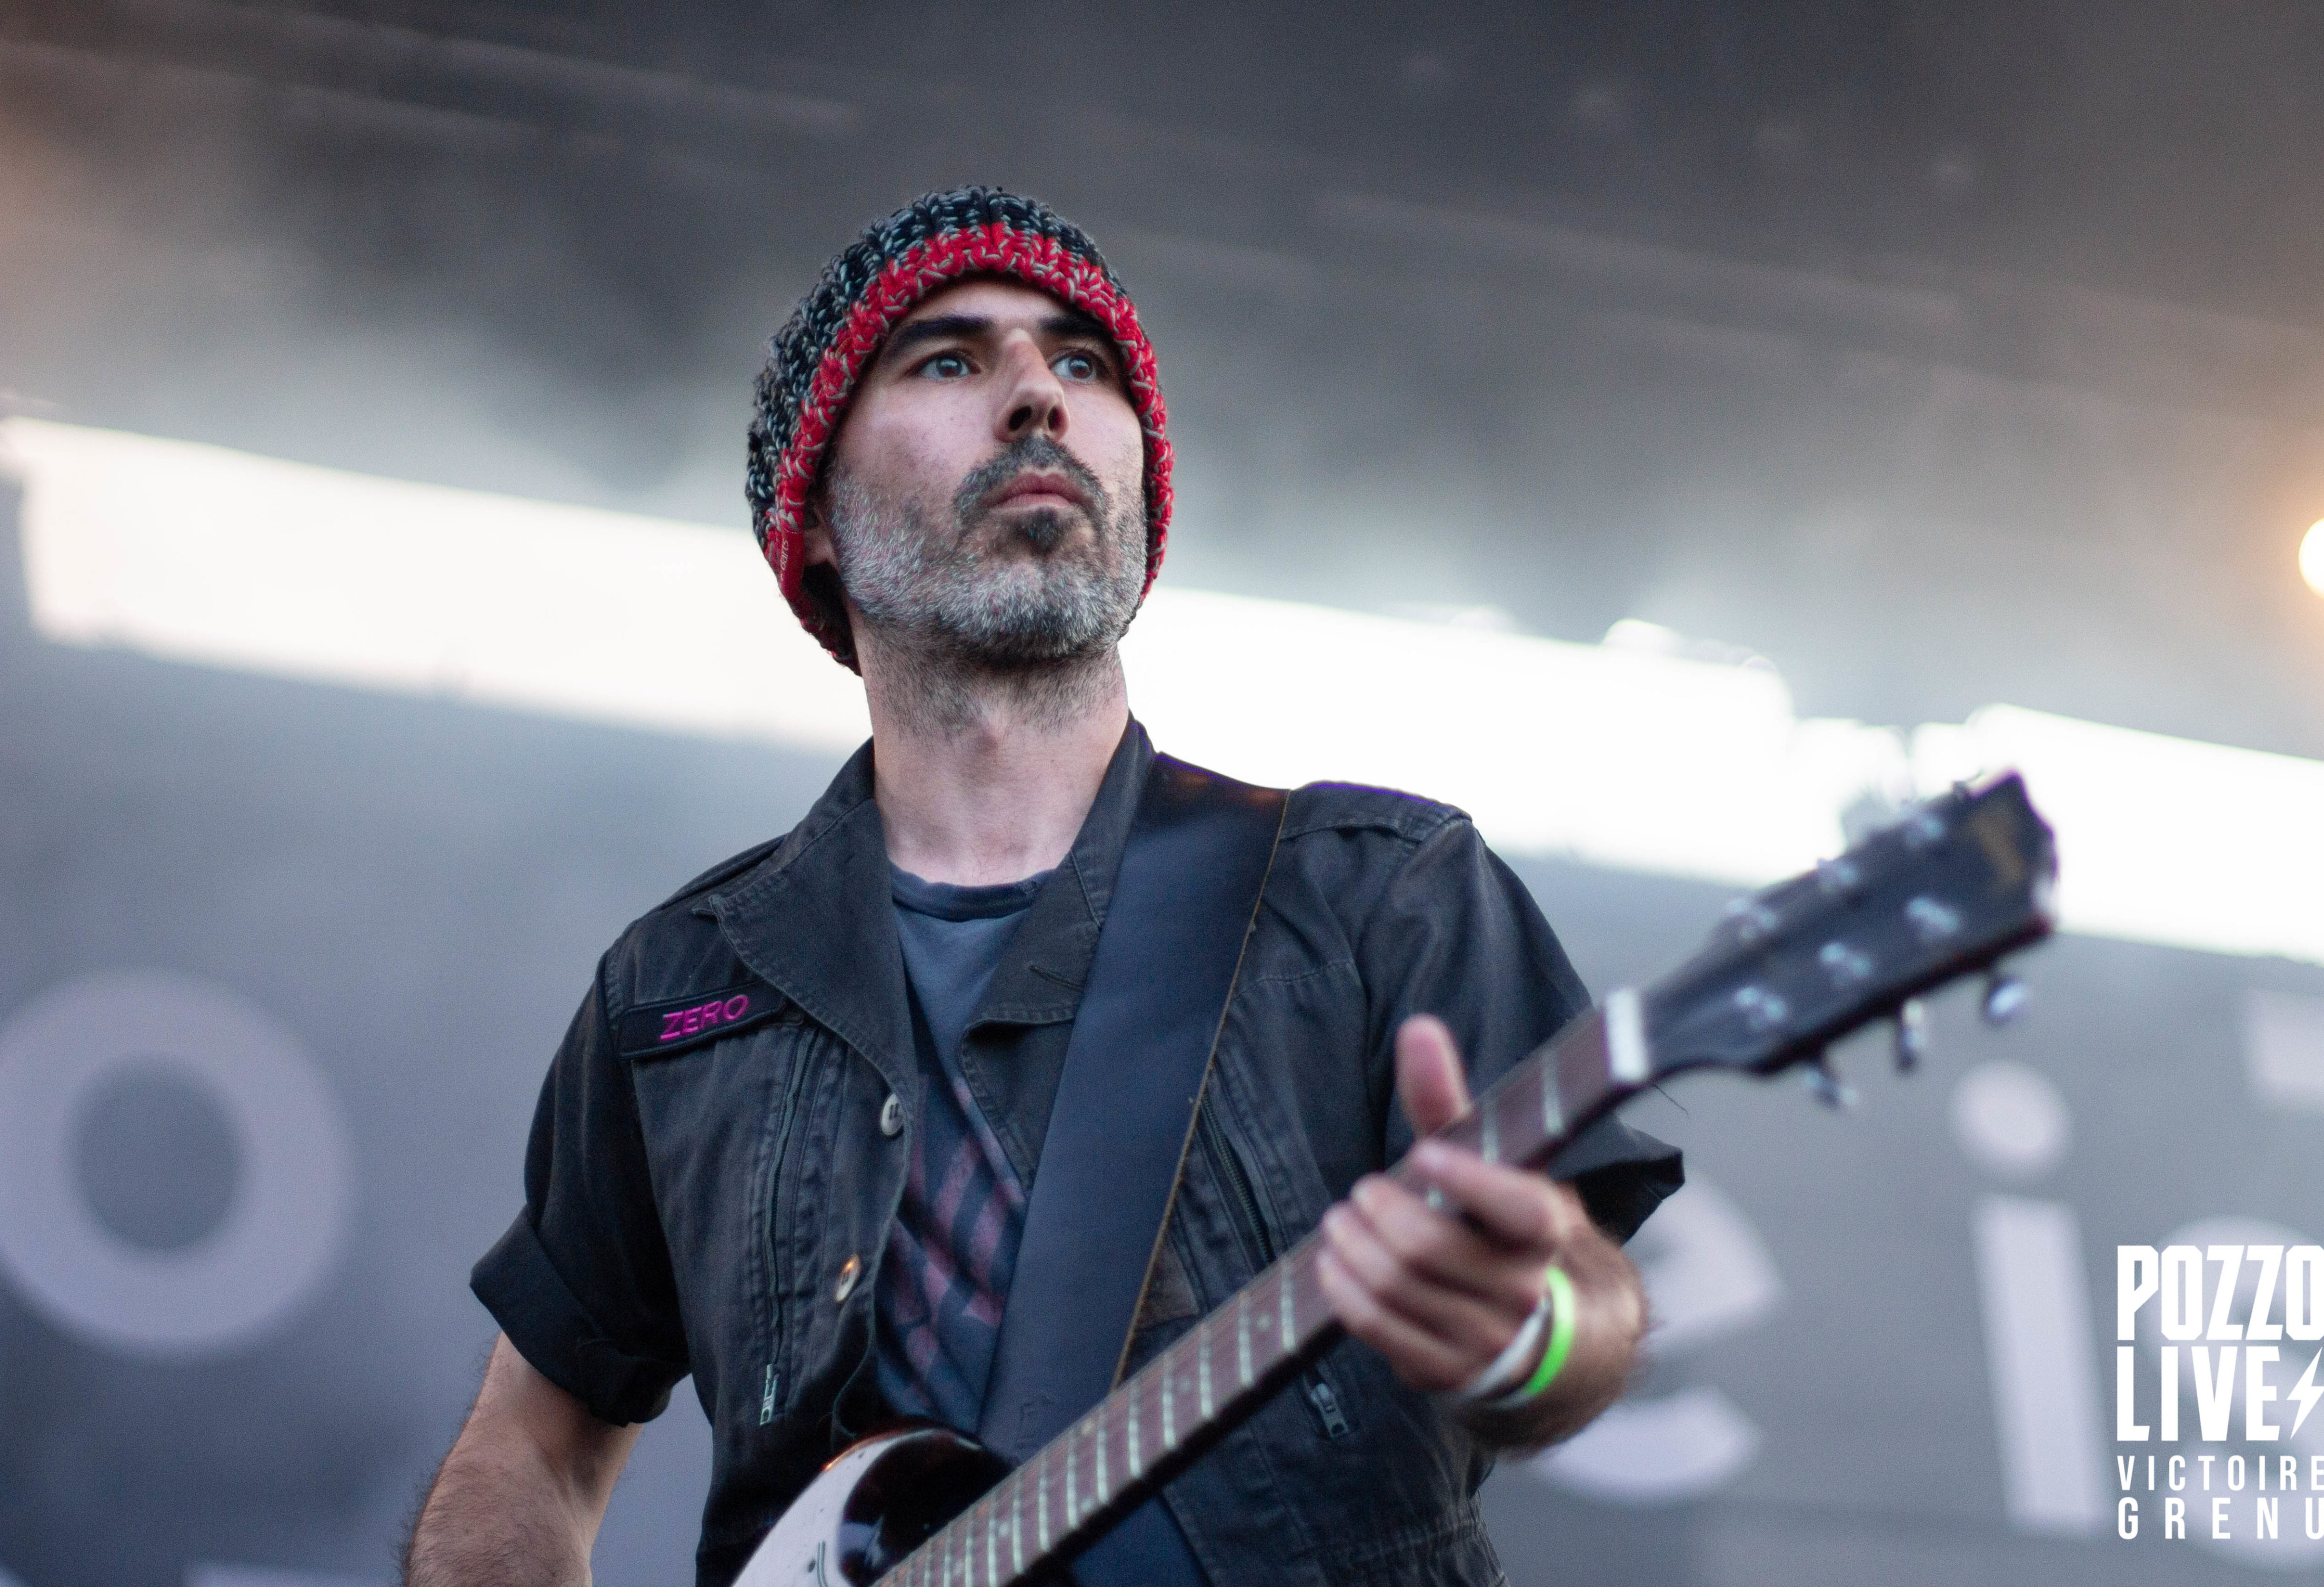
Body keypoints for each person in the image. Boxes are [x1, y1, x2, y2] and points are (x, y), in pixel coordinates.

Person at [403, 187, 1681, 1587]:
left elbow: (1584, 1304)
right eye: (949, 359)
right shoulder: (683, 984)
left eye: (1084, 362)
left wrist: (1533, 1331)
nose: (1038, 395)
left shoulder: (1382, 894)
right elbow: (532, 1447)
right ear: (815, 518)